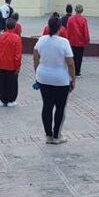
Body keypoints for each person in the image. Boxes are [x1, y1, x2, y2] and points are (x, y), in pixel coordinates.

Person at [33, 16, 75, 144]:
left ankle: (48, 135)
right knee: (60, 107)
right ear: (60, 27)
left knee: (47, 106)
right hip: (60, 79)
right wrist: (72, 79)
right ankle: (57, 135)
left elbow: (35, 56)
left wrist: (38, 71)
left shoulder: (41, 40)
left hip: (44, 77)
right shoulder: (64, 42)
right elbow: (70, 63)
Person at [0, 18, 22, 107]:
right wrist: (18, 66)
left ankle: (3, 99)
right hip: (11, 65)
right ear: (14, 26)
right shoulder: (16, 38)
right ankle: (11, 99)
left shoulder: (1, 36)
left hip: (1, 64)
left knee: (2, 82)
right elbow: (18, 55)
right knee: (12, 83)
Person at [66, 5, 90, 77]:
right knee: (79, 57)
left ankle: (71, 70)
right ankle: (77, 71)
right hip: (80, 42)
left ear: (75, 10)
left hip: (71, 41)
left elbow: (68, 30)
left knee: (72, 56)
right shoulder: (83, 20)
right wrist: (87, 40)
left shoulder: (70, 19)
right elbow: (85, 31)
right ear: (82, 11)